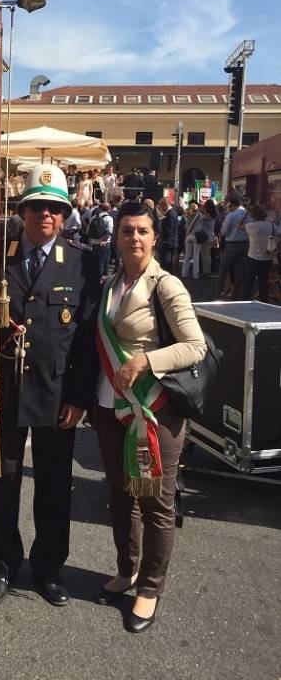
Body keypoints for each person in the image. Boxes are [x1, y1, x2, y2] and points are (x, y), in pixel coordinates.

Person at [0, 164, 101, 607]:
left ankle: (49, 567)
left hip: (56, 394)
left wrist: (78, 398)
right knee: (3, 479)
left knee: (53, 483)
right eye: (36, 207)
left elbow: (87, 339)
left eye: (54, 208)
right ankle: (2, 563)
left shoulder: (84, 261)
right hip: (7, 390)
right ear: (22, 211)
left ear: (65, 215)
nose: (44, 216)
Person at [92, 201, 206, 632]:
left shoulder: (167, 286)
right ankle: (127, 570)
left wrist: (144, 360)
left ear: (155, 237)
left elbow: (194, 346)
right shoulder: (110, 282)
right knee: (120, 496)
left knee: (156, 504)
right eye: (127, 230)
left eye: (142, 230)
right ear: (117, 236)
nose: (134, 238)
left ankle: (150, 588)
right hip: (109, 407)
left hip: (155, 412)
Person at [243, 205, 279, 302]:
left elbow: (239, 226)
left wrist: (245, 215)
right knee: (263, 283)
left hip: (253, 257)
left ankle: (244, 301)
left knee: (248, 282)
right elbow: (278, 234)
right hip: (267, 258)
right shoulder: (271, 225)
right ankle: (264, 302)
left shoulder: (252, 226)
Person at [217, 196, 250, 299]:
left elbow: (224, 231)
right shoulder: (247, 214)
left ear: (232, 204)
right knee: (239, 270)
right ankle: (236, 294)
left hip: (232, 244)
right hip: (245, 244)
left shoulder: (231, 215)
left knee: (223, 268)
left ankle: (218, 292)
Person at [88, 202, 114, 277]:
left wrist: (91, 240)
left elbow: (88, 230)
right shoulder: (109, 218)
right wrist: (103, 241)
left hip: (94, 243)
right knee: (103, 263)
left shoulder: (94, 217)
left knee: (95, 263)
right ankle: (100, 280)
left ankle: (95, 279)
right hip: (104, 244)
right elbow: (109, 231)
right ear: (109, 209)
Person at [157, 197, 179, 273]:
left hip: (168, 243)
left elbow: (169, 230)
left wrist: (164, 241)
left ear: (164, 205)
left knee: (166, 263)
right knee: (167, 263)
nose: (160, 208)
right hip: (169, 242)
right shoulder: (171, 213)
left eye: (160, 206)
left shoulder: (170, 214)